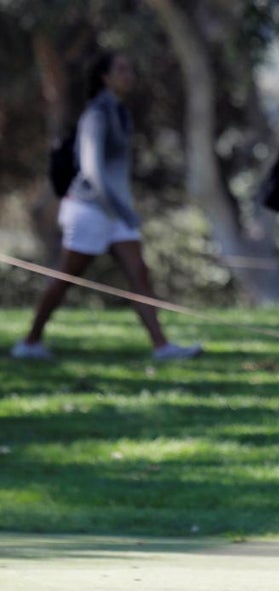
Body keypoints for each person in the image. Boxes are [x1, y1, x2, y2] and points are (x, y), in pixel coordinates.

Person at [10, 52, 202, 362]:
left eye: (131, 69)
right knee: (65, 277)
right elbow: (92, 170)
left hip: (115, 213)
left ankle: (162, 347)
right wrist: (121, 208)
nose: (130, 75)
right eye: (122, 70)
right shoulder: (97, 114)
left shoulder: (121, 113)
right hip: (90, 209)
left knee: (139, 274)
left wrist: (123, 208)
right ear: (105, 77)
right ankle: (31, 341)